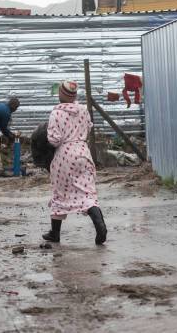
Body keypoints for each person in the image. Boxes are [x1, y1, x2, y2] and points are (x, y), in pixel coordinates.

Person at [42, 81, 107, 245]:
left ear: (61, 95)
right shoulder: (84, 110)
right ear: (74, 96)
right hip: (84, 153)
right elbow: (89, 128)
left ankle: (55, 233)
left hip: (65, 156)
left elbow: (54, 140)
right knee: (88, 192)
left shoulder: (56, 113)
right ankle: (100, 225)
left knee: (60, 193)